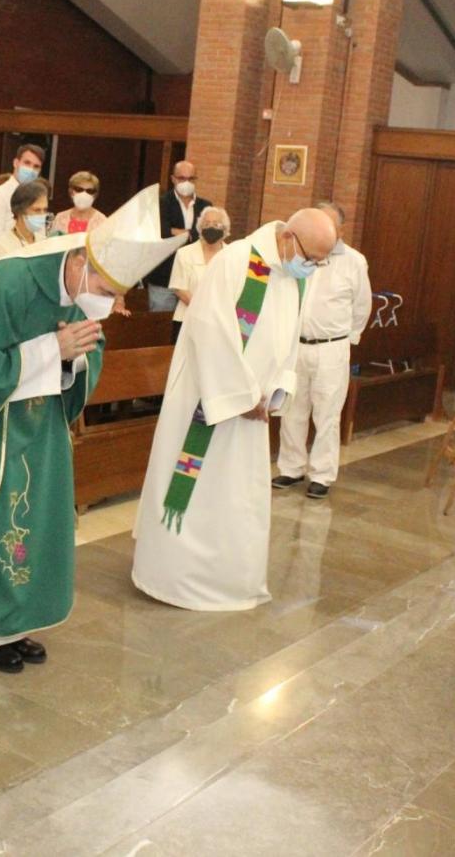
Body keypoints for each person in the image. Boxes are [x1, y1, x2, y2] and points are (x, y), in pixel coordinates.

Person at [0, 186, 179, 672]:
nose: (105, 305)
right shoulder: (6, 282)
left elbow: (88, 351)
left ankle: (14, 625)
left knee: (34, 524)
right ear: (82, 264)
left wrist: (77, 358)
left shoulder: (83, 290)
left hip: (39, 430)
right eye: (104, 293)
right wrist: (52, 351)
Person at [130, 208, 337, 611]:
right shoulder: (238, 261)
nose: (310, 267)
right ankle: (178, 579)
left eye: (318, 262)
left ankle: (228, 579)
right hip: (210, 402)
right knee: (199, 493)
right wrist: (242, 396)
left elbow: (287, 342)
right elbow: (208, 329)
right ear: (288, 237)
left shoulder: (294, 279)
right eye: (309, 257)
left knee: (236, 498)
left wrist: (274, 392)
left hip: (253, 412)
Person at [272, 203, 372, 500]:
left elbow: (362, 307)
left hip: (332, 347)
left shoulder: (354, 261)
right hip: (296, 344)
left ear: (339, 230)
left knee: (327, 413)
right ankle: (291, 467)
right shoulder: (299, 255)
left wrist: (346, 339)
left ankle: (322, 474)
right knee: (292, 409)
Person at [145, 161, 211, 312]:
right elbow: (161, 232)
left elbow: (205, 233)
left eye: (191, 179)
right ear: (173, 179)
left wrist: (178, 232)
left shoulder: (205, 206)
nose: (186, 183)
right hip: (164, 277)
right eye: (182, 178)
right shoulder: (160, 203)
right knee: (161, 326)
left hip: (192, 281)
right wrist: (189, 233)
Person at [168, 206, 231, 341]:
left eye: (216, 224)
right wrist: (204, 309)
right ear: (200, 228)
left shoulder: (232, 255)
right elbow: (179, 288)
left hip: (220, 324)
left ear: (225, 229)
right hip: (187, 319)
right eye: (206, 224)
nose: (211, 228)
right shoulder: (185, 253)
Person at [0, 144, 45, 251]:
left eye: (36, 166)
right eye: (27, 163)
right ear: (16, 163)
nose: (31, 169)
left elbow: (40, 234)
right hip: (5, 260)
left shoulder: (38, 197)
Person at [0, 179, 49, 261]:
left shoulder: (44, 242)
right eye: (37, 210)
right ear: (20, 211)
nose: (42, 215)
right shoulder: (2, 245)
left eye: (45, 210)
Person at [51, 171, 107, 235]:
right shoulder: (60, 218)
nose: (84, 194)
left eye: (90, 191)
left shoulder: (102, 221)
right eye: (79, 189)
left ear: (95, 195)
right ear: (71, 191)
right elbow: (51, 242)